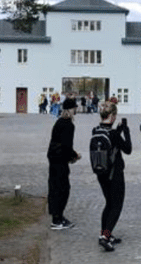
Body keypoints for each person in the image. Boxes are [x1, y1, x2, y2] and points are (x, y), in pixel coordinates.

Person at [93, 101, 132, 252]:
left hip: (101, 173)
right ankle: (106, 237)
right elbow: (128, 149)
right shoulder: (114, 134)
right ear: (113, 115)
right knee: (116, 205)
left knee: (108, 203)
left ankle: (104, 233)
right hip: (115, 173)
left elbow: (110, 139)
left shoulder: (96, 130)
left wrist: (118, 131)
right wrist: (126, 131)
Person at [47, 97, 81, 230]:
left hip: (53, 158)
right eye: (75, 109)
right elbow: (67, 146)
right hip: (60, 160)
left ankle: (57, 216)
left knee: (55, 187)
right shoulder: (69, 125)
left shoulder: (59, 122)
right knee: (63, 189)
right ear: (72, 110)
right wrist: (74, 156)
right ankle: (57, 219)